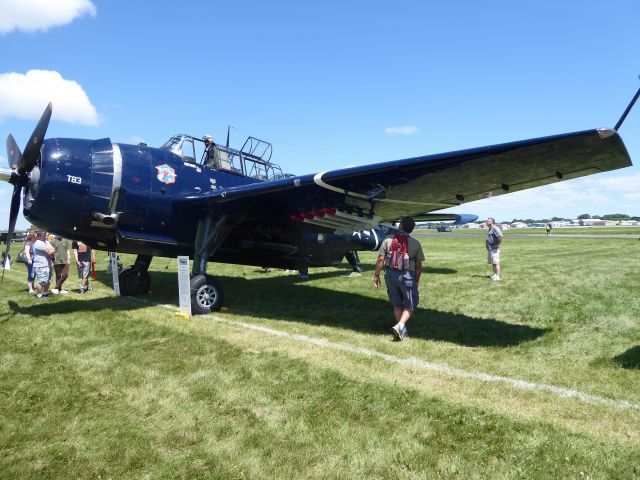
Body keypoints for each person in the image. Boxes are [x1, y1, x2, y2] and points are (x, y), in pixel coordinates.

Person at [374, 216, 425, 341]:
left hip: (390, 274)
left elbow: (381, 259)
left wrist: (376, 275)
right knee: (411, 304)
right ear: (411, 229)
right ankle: (401, 325)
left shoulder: (387, 240)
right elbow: (418, 266)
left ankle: (403, 331)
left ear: (400, 226)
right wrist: (416, 280)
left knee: (396, 304)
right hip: (407, 275)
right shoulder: (415, 243)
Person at [32, 230, 55, 298]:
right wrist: (51, 250)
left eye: (46, 236)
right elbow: (49, 252)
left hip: (48, 264)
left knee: (49, 279)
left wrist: (51, 250)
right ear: (39, 236)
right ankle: (39, 295)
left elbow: (53, 249)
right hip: (41, 265)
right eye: (44, 236)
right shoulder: (38, 243)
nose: (46, 237)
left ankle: (45, 293)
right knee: (41, 281)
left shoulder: (46, 242)